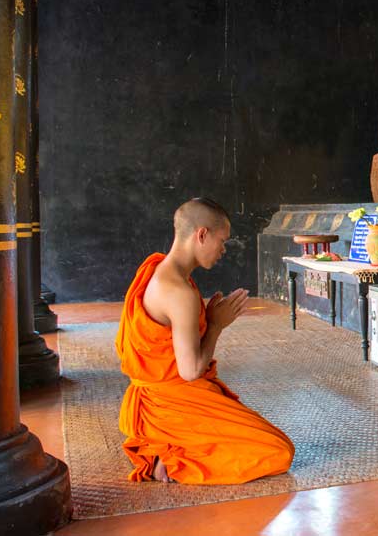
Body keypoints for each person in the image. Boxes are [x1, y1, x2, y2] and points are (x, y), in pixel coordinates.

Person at [115, 197, 294, 484]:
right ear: (201, 234)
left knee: (263, 439)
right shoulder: (179, 292)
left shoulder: (159, 269)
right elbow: (190, 370)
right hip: (168, 403)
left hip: (167, 396)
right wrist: (215, 325)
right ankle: (171, 456)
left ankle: (167, 446)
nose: (223, 250)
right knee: (278, 451)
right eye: (222, 241)